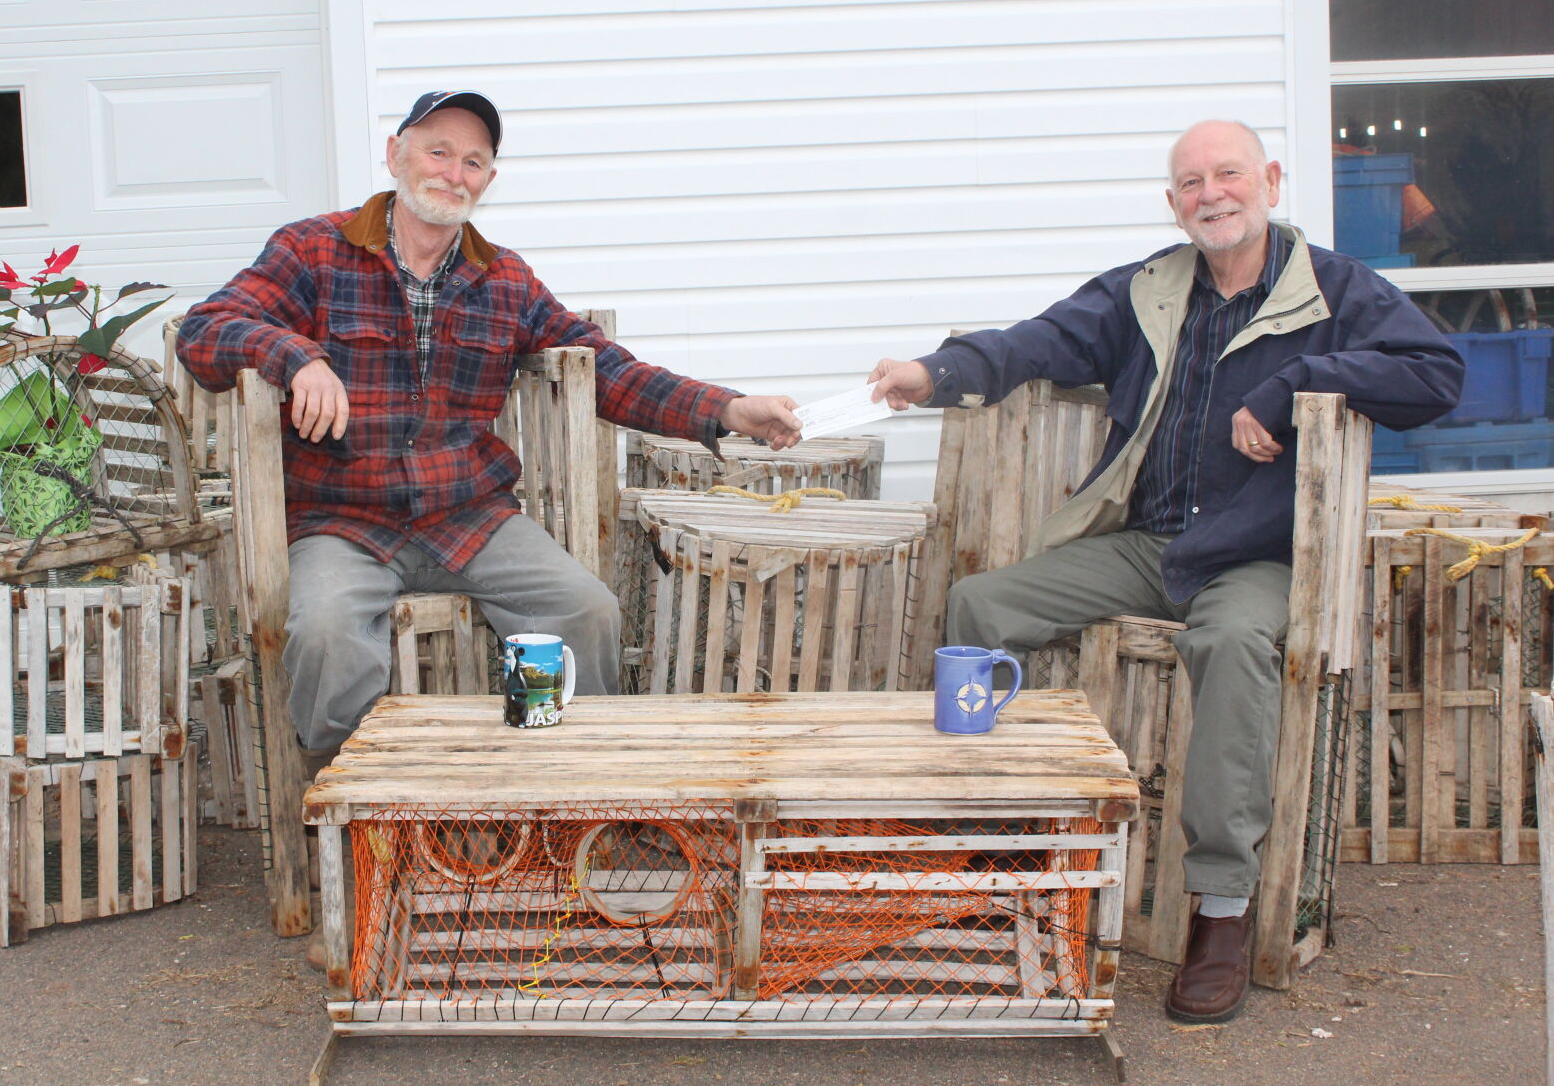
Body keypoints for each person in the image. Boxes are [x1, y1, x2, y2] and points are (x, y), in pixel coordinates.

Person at [868, 120, 1464, 1023]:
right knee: (980, 604)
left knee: (1227, 642)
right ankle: (996, 847)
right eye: (1190, 182)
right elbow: (1037, 342)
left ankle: (1218, 908)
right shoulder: (1147, 289)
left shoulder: (1335, 289)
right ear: (1172, 201)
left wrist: (1296, 382)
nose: (1210, 194)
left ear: (1267, 179)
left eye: (1227, 174)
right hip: (1148, 544)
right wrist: (934, 370)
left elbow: (1436, 373)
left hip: (1255, 557)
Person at [177, 89, 802, 758]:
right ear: (395, 155)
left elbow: (606, 371)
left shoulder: (503, 277)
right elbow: (206, 330)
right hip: (340, 519)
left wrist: (728, 410)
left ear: (489, 181)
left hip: (468, 514)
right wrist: (295, 355)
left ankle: (556, 785)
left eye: (473, 162)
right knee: (326, 632)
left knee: (584, 610)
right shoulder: (313, 249)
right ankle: (359, 809)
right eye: (438, 151)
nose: (453, 172)